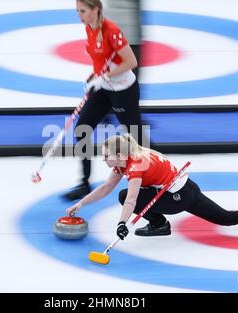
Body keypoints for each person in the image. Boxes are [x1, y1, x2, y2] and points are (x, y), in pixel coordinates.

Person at [66, 134, 238, 241]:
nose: (104, 159)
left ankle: (160, 224)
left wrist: (122, 224)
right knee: (225, 217)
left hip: (179, 196)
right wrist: (81, 203)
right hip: (183, 188)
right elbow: (105, 188)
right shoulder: (125, 159)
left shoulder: (136, 164)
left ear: (118, 154)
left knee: (124, 194)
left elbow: (130, 199)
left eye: (106, 155)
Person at [63, 0, 144, 201]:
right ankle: (84, 182)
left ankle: (151, 179)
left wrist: (106, 76)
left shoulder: (111, 30)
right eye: (77, 11)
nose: (79, 15)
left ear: (95, 10)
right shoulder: (90, 28)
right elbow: (101, 59)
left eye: (82, 11)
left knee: (135, 136)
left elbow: (131, 62)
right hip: (103, 88)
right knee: (82, 128)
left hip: (123, 90)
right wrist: (95, 75)